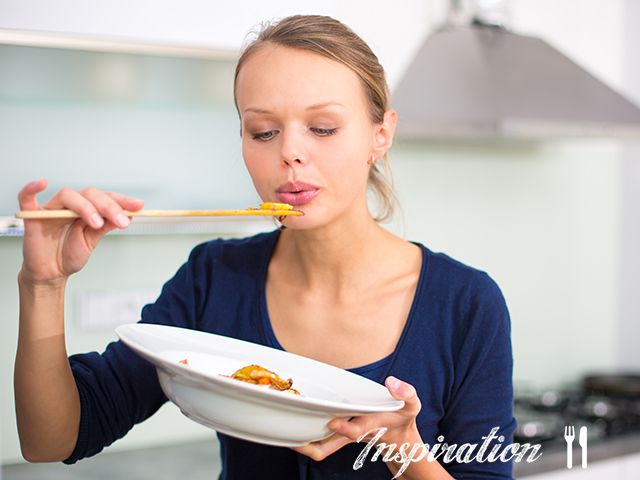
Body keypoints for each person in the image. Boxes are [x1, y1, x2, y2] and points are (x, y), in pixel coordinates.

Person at [14, 14, 516, 480]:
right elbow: (52, 440)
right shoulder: (214, 277)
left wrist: (402, 445)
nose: (289, 152)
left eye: (322, 128)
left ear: (380, 135)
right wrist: (44, 285)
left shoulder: (466, 304)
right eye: (263, 131)